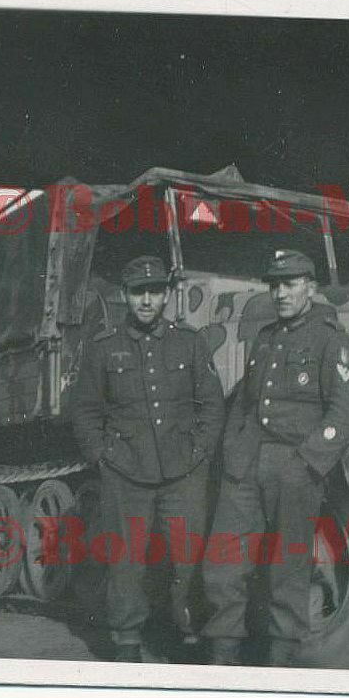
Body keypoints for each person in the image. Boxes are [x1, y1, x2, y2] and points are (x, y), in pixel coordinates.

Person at [202, 249, 349, 667]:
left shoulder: (331, 340)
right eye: (275, 285)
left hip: (295, 467)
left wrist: (309, 460)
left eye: (290, 284)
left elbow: (347, 411)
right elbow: (245, 400)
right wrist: (234, 447)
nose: (280, 293)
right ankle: (223, 658)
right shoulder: (266, 338)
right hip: (247, 465)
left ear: (310, 288)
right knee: (223, 564)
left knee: (288, 568)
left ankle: (280, 664)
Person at [70, 255, 225, 663]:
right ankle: (127, 640)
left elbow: (211, 404)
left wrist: (201, 452)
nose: (147, 300)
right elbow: (85, 410)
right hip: (126, 470)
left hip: (183, 471)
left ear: (166, 295)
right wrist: (102, 457)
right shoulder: (104, 348)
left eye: (155, 291)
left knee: (188, 555)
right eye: (139, 292)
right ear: (125, 296)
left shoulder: (189, 342)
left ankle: (189, 633)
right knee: (127, 559)